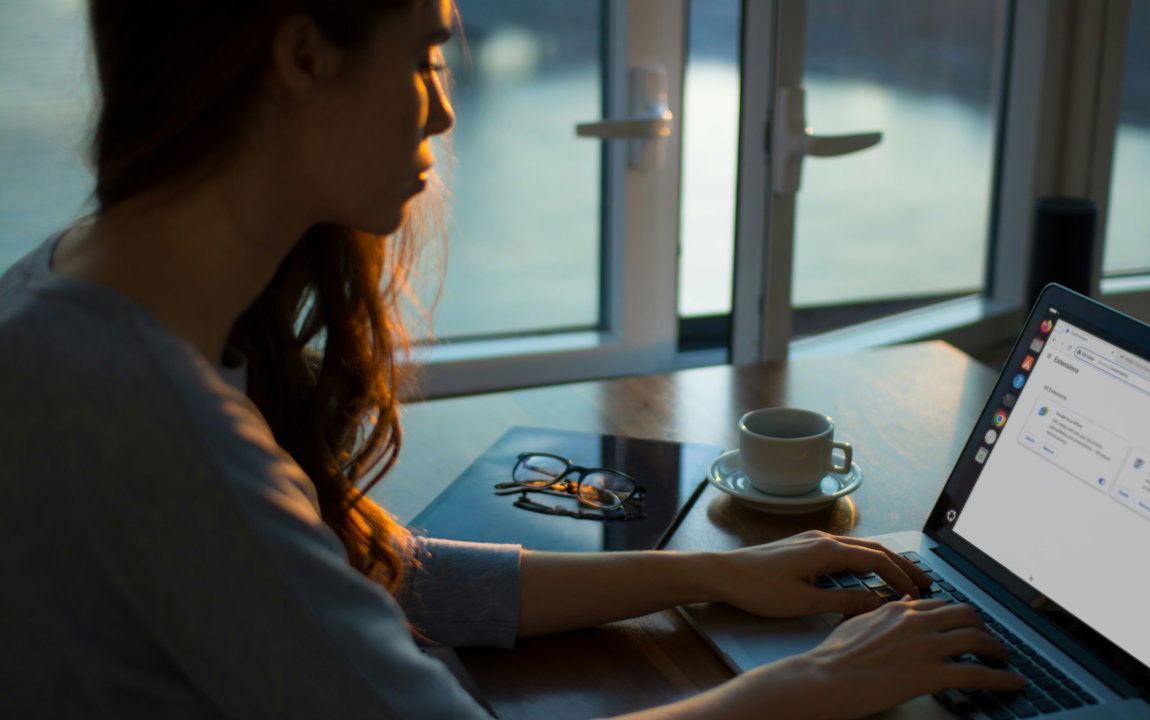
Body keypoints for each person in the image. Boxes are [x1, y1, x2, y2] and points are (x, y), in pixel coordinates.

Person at [0, 1, 1024, 717]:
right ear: (303, 56)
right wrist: (808, 688)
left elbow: (374, 578)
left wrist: (719, 573)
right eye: (425, 54)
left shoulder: (71, 293)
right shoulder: (155, 424)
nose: (442, 108)